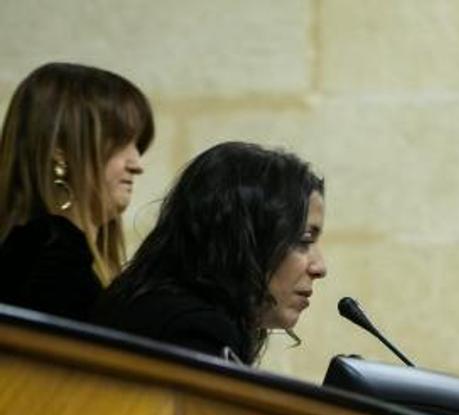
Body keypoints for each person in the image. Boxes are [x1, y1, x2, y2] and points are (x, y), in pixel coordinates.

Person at [97, 141, 326, 364]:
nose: (319, 267)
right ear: (241, 237)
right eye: (303, 239)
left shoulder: (150, 306)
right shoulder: (195, 333)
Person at [0, 62, 154, 319]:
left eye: (137, 144)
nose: (136, 164)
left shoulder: (66, 259)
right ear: (60, 149)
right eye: (120, 142)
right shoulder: (48, 260)